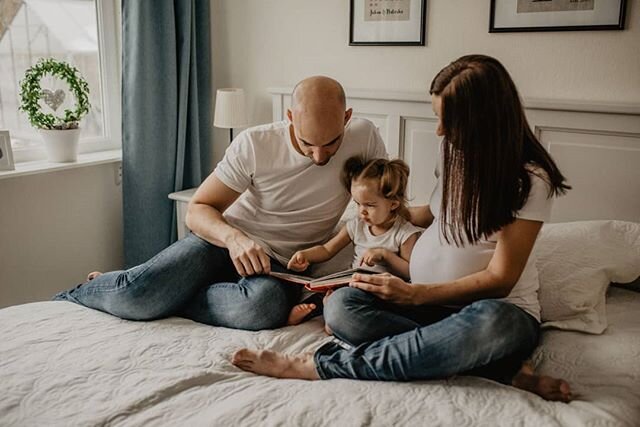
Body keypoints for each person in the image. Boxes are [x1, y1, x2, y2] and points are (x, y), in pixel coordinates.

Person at [231, 55, 574, 402]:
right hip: (426, 304)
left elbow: (501, 280)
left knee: (492, 325)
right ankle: (494, 367)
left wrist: (416, 294)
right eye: (438, 118)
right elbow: (435, 214)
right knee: (343, 306)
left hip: (494, 309)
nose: (439, 130)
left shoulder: (528, 179)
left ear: (483, 119)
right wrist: (385, 213)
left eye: (448, 120)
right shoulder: (453, 150)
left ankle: (320, 366)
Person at [54, 76, 388, 331]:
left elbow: (385, 210)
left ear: (347, 118)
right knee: (137, 298)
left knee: (262, 308)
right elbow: (198, 209)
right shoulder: (255, 144)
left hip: (282, 268)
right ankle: (83, 292)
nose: (320, 157)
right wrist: (235, 239)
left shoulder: (366, 136)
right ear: (289, 117)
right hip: (221, 244)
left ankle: (166, 295)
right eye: (307, 143)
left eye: (331, 143)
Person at [285, 156, 422, 325]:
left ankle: (335, 319)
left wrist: (384, 255)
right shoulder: (357, 225)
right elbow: (327, 250)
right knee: (325, 291)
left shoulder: (404, 232)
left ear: (393, 204)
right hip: (353, 282)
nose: (362, 211)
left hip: (382, 291)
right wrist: (305, 255)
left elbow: (409, 272)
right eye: (358, 204)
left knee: (356, 300)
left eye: (369, 205)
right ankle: (318, 312)